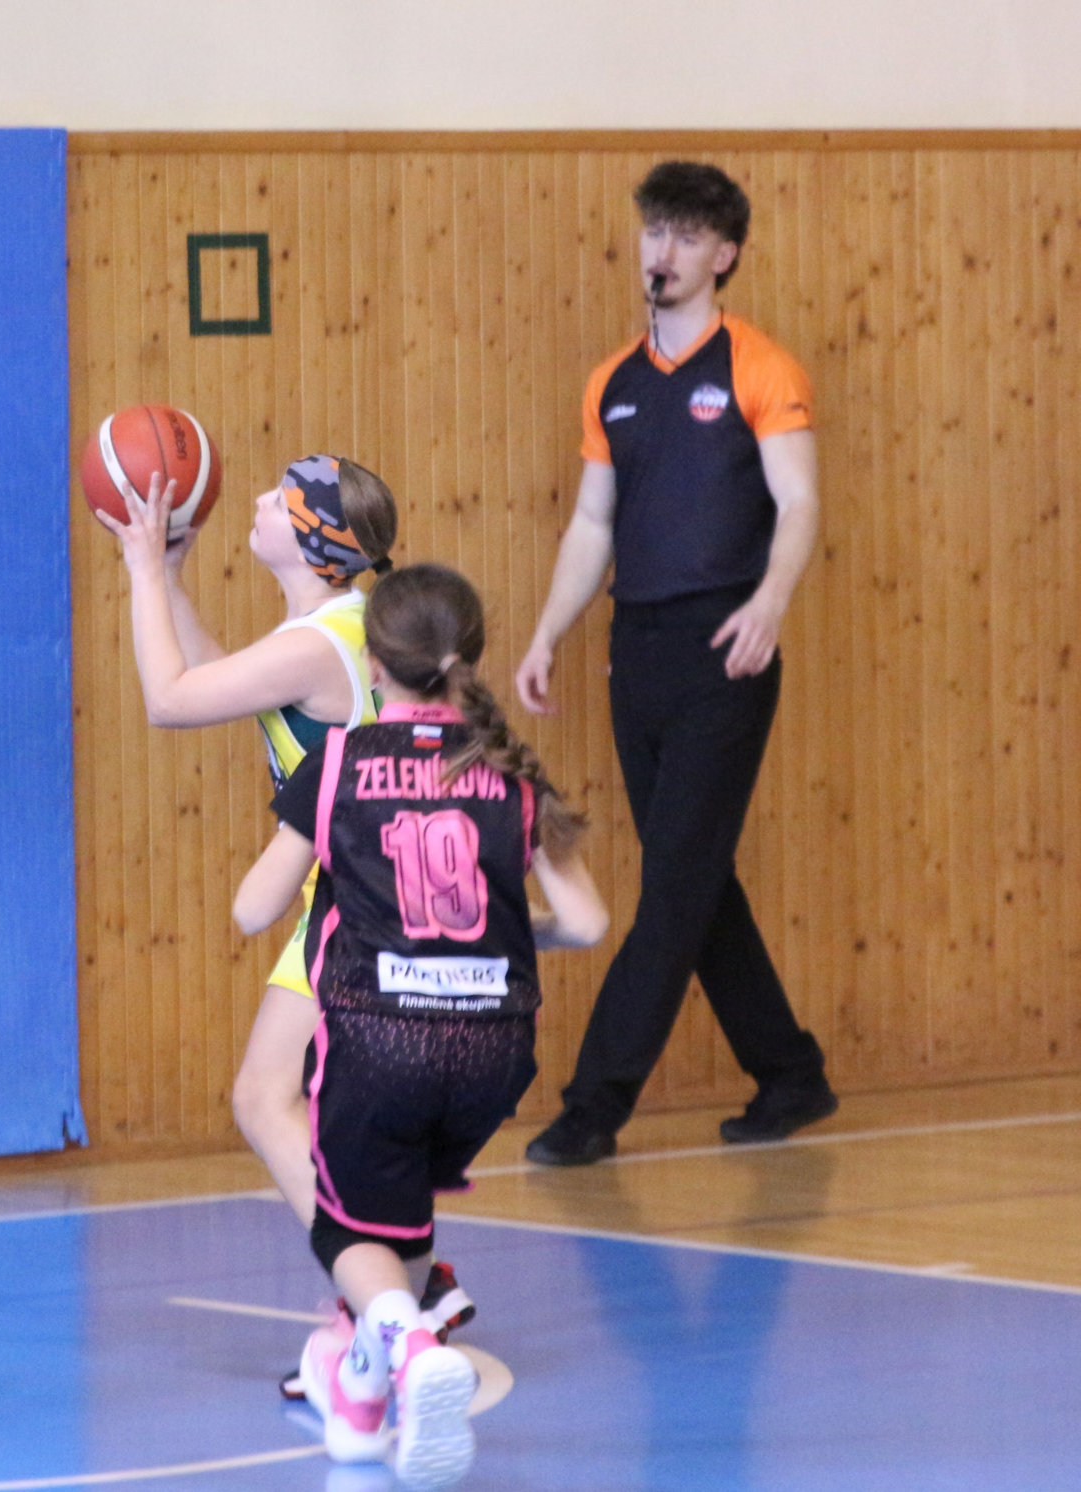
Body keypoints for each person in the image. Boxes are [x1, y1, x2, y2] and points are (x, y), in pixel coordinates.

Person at [97, 456, 471, 1391]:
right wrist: (172, 579)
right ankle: (402, 1287)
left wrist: (139, 570)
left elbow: (170, 699)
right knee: (319, 1114)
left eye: (279, 495)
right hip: (388, 897)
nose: (256, 500)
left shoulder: (320, 643)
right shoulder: (338, 626)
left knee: (265, 1099)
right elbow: (216, 674)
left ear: (315, 538)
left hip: (359, 905)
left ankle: (383, 1297)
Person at [234, 564, 607, 1486]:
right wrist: (500, 933)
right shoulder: (508, 768)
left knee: (345, 1227)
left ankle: (404, 1335)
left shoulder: (338, 763)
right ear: (468, 656)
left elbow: (252, 909)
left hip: (381, 1038)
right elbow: (588, 923)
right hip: (493, 1050)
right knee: (400, 1218)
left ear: (375, 663)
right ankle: (363, 1398)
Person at [513, 161, 841, 1167]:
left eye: (687, 236)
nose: (663, 251)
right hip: (637, 650)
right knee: (691, 879)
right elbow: (591, 523)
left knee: (671, 890)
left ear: (723, 255)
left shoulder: (759, 367)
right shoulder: (611, 383)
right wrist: (547, 631)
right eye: (655, 231)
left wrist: (769, 602)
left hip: (725, 649)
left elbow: (797, 502)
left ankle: (592, 1106)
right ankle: (789, 1072)